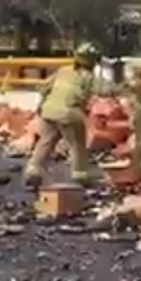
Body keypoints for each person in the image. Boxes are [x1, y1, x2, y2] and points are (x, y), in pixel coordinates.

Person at [23, 42, 101, 188]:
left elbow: (43, 87)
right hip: (69, 113)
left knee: (46, 141)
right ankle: (80, 175)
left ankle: (33, 170)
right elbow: (103, 89)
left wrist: (42, 105)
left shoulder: (63, 70)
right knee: (77, 145)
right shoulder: (89, 76)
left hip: (48, 111)